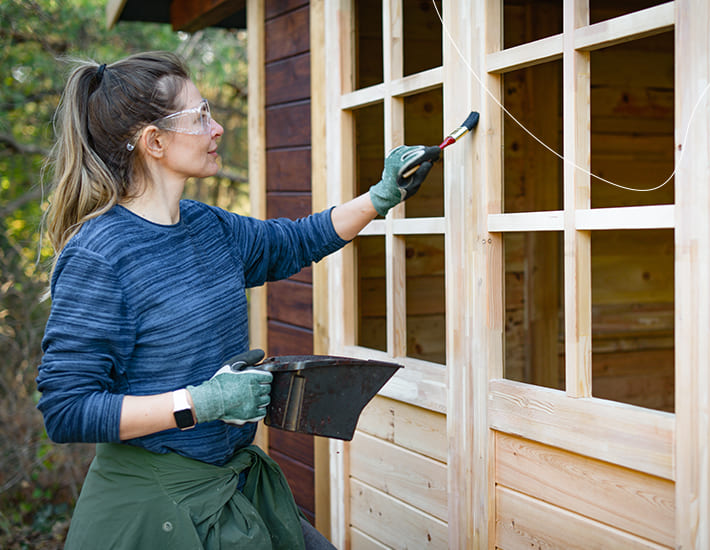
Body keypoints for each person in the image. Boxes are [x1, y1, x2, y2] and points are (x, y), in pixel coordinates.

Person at [36, 51, 436, 550]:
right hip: (157, 507)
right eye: (200, 116)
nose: (216, 127)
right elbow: (67, 409)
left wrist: (379, 197)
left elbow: (295, 241)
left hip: (232, 485)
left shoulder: (208, 227)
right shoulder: (100, 255)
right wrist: (203, 403)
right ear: (154, 141)